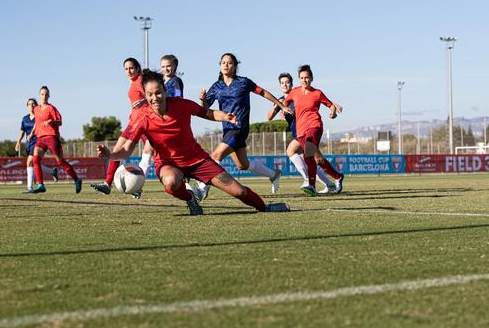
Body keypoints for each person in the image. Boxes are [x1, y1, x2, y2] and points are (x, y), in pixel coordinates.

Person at [96, 69, 290, 215]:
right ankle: (190, 198)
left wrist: (224, 116)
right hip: (168, 164)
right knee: (171, 182)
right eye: (150, 94)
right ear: (145, 96)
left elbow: (207, 112)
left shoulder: (182, 105)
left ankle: (265, 207)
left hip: (198, 160)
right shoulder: (142, 118)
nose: (155, 98)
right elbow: (127, 150)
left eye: (158, 92)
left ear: (164, 90)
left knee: (238, 191)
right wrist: (110, 155)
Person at [198, 53, 293, 198]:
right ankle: (274, 174)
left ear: (235, 66)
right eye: (223, 62)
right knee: (243, 165)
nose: (226, 65)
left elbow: (263, 92)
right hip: (228, 129)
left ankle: (201, 187)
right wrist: (203, 100)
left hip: (240, 128)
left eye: (229, 63)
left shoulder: (243, 82)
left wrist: (281, 105)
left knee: (216, 155)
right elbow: (206, 108)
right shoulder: (216, 86)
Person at [267, 73, 337, 194]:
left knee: (292, 151)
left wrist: (333, 106)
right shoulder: (283, 101)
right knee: (315, 160)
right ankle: (330, 183)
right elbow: (269, 117)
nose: (285, 84)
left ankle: (308, 181)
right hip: (298, 134)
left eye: (287, 82)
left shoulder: (298, 95)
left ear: (292, 84)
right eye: (282, 83)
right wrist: (277, 105)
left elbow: (315, 99)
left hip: (307, 132)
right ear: (279, 85)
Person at [90, 57, 150, 198]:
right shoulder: (133, 83)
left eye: (131, 68)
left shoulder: (141, 80)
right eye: (126, 69)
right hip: (132, 123)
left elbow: (153, 95)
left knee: (155, 154)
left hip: (143, 123)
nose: (129, 71)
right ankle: (107, 184)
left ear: (137, 68)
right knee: (116, 150)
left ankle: (137, 186)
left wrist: (144, 101)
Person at [283, 65, 344, 196]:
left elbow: (330, 105)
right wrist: (284, 109)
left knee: (308, 153)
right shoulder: (294, 92)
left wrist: (333, 112)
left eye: (307, 77)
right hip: (300, 131)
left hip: (314, 126)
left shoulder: (317, 93)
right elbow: (285, 103)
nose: (304, 80)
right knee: (317, 159)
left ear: (311, 79)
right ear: (299, 79)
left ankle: (311, 184)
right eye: (301, 78)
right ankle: (337, 176)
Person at [29, 86, 82, 194]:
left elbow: (60, 122)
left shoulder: (51, 108)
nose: (44, 96)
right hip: (40, 138)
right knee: (35, 160)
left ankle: (77, 180)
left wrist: (50, 121)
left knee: (61, 162)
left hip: (52, 137)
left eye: (46, 94)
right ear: (39, 95)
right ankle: (40, 185)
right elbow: (37, 122)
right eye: (42, 94)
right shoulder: (36, 109)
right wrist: (31, 133)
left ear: (49, 96)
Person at [138, 54, 184, 175]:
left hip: (171, 121)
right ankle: (139, 179)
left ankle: (139, 178)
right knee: (149, 147)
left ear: (175, 66)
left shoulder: (176, 81)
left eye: (168, 66)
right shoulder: (161, 81)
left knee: (153, 148)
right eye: (163, 66)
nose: (166, 69)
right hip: (159, 120)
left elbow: (179, 98)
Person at [15, 98, 58, 193]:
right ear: (27, 106)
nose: (31, 106)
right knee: (34, 163)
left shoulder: (39, 117)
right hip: (29, 144)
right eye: (29, 104)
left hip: (39, 142)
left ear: (36, 105)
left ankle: (29, 187)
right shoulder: (24, 119)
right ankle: (52, 172)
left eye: (33, 104)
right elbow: (22, 132)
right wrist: (18, 142)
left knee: (29, 162)